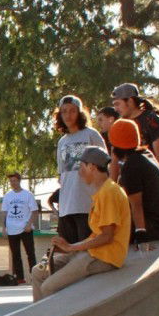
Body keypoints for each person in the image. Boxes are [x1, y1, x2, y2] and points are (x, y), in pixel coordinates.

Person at [31, 147, 131, 302]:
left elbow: (107, 236)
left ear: (92, 167)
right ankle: (37, 315)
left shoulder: (109, 192)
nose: (79, 173)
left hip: (104, 257)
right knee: (38, 271)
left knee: (48, 287)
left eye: (81, 167)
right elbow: (97, 235)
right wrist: (69, 247)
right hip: (92, 253)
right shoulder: (102, 192)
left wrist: (71, 248)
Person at [109, 119, 159, 249]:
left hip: (156, 227)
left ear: (115, 146)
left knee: (109, 227)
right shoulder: (146, 154)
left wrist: (140, 234)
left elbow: (136, 205)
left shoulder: (131, 166)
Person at [54, 95, 107, 244]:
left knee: (86, 249)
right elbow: (61, 174)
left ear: (79, 113)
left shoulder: (91, 135)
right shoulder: (62, 141)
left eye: (72, 111)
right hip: (66, 207)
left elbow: (105, 168)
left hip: (87, 205)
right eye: (64, 111)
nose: (68, 115)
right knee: (68, 250)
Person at [111, 83, 159, 170]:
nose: (115, 109)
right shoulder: (121, 125)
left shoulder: (151, 120)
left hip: (150, 174)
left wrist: (152, 177)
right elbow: (115, 160)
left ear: (130, 101)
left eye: (117, 104)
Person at [2, 172, 39, 282]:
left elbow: (35, 211)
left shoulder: (28, 194)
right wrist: (4, 228)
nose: (12, 183)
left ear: (19, 181)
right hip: (12, 229)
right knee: (15, 255)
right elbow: (5, 213)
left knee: (30, 253)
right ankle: (20, 278)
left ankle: (34, 277)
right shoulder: (8, 196)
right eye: (11, 181)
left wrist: (29, 224)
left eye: (14, 181)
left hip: (25, 228)